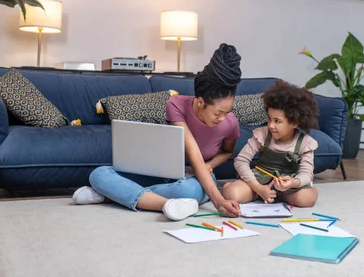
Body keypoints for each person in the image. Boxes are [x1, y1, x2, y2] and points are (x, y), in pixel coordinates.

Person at [72, 43, 243, 220]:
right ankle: (163, 204)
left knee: (189, 191)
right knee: (99, 174)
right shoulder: (176, 104)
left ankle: (110, 195)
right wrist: (218, 200)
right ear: (200, 102)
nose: (223, 118)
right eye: (218, 113)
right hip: (162, 174)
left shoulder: (230, 123)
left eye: (227, 112)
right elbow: (193, 153)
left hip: (196, 179)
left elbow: (225, 152)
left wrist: (211, 168)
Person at [223, 80, 320, 208]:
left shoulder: (306, 143)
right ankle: (262, 193)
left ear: (294, 123)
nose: (271, 125)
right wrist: (259, 188)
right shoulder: (262, 134)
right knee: (232, 194)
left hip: (288, 184)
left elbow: (307, 173)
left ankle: (279, 194)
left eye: (277, 121)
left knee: (306, 200)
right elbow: (240, 161)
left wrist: (293, 183)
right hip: (260, 181)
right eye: (269, 118)